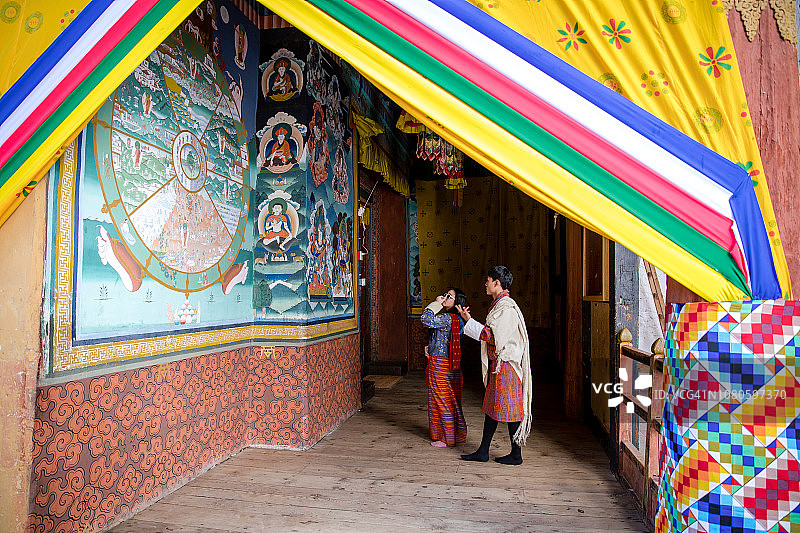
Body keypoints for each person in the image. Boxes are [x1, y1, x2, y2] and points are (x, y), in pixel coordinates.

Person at [457, 265, 532, 465]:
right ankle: (485, 451)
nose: (486, 283)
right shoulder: (499, 305)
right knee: (494, 407)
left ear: (497, 283)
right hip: (500, 364)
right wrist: (469, 321)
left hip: (506, 365)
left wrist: (468, 321)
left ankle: (514, 454)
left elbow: (492, 336)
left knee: (510, 408)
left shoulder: (506, 307)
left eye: (488, 280)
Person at [420, 287, 468, 448]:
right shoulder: (456, 319)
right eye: (445, 294)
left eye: (449, 296)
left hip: (441, 363)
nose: (445, 297)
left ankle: (447, 438)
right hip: (447, 362)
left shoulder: (448, 318)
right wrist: (430, 346)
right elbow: (442, 337)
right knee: (450, 399)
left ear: (456, 303)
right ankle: (456, 434)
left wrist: (435, 303)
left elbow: (425, 319)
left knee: (441, 400)